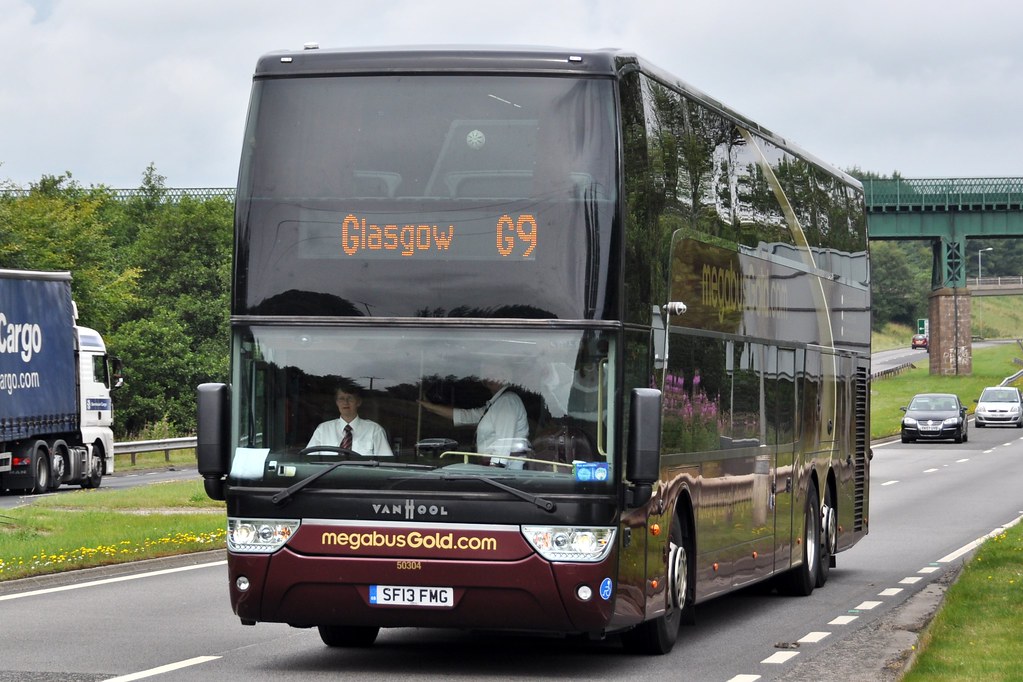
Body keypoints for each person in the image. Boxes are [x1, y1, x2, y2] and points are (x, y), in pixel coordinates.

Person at [419, 362, 528, 468]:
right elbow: (465, 416)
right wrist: (430, 407)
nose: (491, 378)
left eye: (497, 373)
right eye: (487, 374)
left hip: (504, 474)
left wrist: (494, 469)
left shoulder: (506, 401)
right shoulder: (495, 405)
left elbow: (503, 444)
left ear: (508, 376)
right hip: (495, 470)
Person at [307, 384, 393, 456]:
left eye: (350, 398)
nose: (345, 402)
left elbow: (386, 463)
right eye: (341, 398)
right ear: (337, 402)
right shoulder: (323, 430)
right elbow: (308, 462)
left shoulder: (374, 430)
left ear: (358, 402)